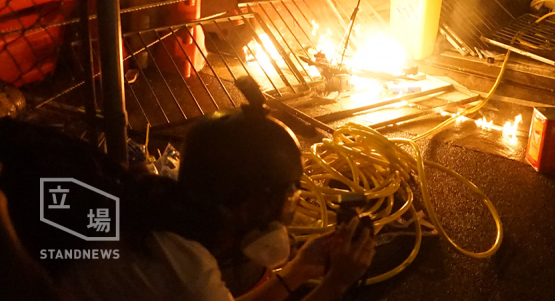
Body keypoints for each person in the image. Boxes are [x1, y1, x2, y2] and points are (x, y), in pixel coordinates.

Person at [25, 80, 376, 301]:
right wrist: (335, 284)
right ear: (245, 204)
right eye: (286, 196)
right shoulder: (185, 269)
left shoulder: (161, 210)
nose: (289, 210)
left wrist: (298, 270)